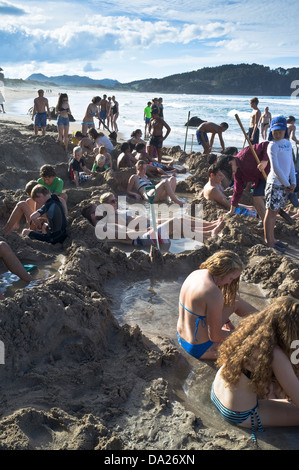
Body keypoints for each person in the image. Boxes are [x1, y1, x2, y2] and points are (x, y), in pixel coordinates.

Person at [211, 296, 299, 443]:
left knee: (274, 387)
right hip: (239, 414)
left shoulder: (254, 332)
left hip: (217, 392)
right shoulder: (276, 354)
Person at [177, 250, 256, 361]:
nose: (229, 283)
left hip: (182, 337)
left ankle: (264, 320)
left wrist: (227, 322)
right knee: (255, 345)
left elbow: (205, 306)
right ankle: (265, 324)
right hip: (201, 348)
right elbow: (215, 336)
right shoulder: (213, 292)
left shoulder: (195, 274)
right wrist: (243, 334)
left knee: (233, 299)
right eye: (230, 278)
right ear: (222, 272)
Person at [82, 193, 225, 244]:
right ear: (93, 216)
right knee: (175, 223)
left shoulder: (104, 222)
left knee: (177, 221)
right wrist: (148, 229)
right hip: (141, 240)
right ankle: (208, 238)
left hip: (142, 235)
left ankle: (209, 230)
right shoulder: (102, 227)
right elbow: (126, 235)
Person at [264, 116, 296, 252]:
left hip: (285, 184)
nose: (277, 134)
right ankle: (269, 241)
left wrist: (293, 182)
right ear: (271, 131)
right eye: (274, 131)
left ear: (285, 131)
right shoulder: (272, 145)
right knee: (270, 212)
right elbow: (275, 168)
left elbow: (291, 165)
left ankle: (273, 239)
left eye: (280, 131)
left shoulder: (288, 144)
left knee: (275, 211)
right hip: (274, 184)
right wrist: (286, 183)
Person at [217, 142, 270, 220]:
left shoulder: (246, 153)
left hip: (273, 171)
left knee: (272, 201)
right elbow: (237, 191)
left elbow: (267, 144)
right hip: (261, 179)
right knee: (256, 197)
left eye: (230, 171)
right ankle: (264, 221)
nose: (232, 173)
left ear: (231, 163)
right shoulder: (238, 173)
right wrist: (232, 210)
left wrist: (265, 160)